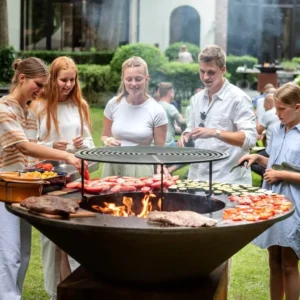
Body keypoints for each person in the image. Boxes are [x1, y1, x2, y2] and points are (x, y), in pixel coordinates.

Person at [0, 57, 82, 300]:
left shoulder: (28, 114)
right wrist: (66, 156)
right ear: (22, 78)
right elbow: (25, 148)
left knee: (23, 254)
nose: (42, 90)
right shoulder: (3, 110)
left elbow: (31, 160)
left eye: (45, 85)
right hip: (3, 190)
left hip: (22, 191)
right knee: (9, 255)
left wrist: (56, 175)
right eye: (38, 84)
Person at [31, 56, 95, 300]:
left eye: (72, 79)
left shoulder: (80, 106)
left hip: (75, 180)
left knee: (77, 236)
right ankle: (53, 292)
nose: (68, 84)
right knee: (50, 241)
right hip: (49, 181)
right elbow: (31, 146)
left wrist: (83, 144)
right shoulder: (38, 106)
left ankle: (78, 290)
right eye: (63, 80)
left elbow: (90, 145)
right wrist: (51, 146)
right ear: (52, 79)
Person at [239, 82, 300, 300]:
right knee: (273, 259)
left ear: (298, 107)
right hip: (272, 202)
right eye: (276, 108)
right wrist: (258, 158)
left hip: (294, 206)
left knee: (289, 264)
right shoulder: (275, 130)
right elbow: (276, 164)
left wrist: (282, 175)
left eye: (282, 109)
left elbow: (282, 172)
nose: (277, 113)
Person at [178, 45, 257, 184]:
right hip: (198, 178)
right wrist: (186, 135)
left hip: (229, 179)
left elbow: (250, 139)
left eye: (211, 72)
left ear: (223, 70)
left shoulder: (239, 98)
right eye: (202, 71)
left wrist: (215, 132)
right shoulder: (196, 99)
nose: (205, 77)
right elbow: (192, 127)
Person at [101, 56, 168, 178]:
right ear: (123, 79)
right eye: (129, 79)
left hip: (140, 168)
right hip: (113, 165)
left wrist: (161, 167)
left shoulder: (157, 111)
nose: (133, 84)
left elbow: (160, 151)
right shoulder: (113, 104)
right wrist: (108, 140)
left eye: (138, 79)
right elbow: (104, 136)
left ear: (146, 79)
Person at [158, 82, 186, 147]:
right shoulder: (169, 107)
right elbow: (183, 121)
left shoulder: (155, 105)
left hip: (157, 143)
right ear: (170, 93)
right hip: (168, 143)